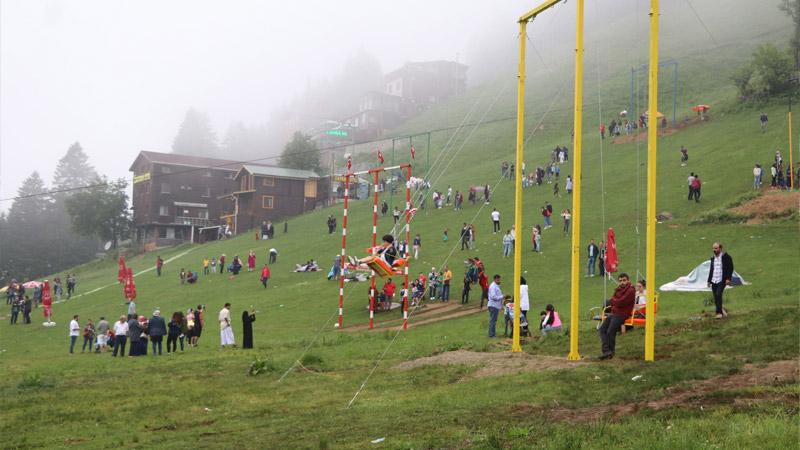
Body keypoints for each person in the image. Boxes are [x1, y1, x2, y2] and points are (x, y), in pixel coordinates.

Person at [598, 273, 635, 359]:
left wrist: (614, 300)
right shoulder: (618, 289)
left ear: (628, 280)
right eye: (620, 281)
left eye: (624, 280)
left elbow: (620, 302)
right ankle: (607, 351)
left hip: (623, 314)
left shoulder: (631, 290)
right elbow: (613, 301)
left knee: (611, 331)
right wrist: (615, 301)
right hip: (614, 313)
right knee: (602, 329)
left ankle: (611, 352)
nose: (622, 282)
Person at [707, 242, 734, 319]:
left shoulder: (726, 257)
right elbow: (711, 269)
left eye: (716, 248)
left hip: (721, 279)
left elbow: (730, 268)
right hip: (714, 280)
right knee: (715, 297)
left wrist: (728, 278)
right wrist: (709, 280)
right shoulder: (712, 258)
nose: (714, 250)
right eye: (713, 248)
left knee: (718, 294)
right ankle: (722, 310)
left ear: (720, 248)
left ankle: (719, 313)